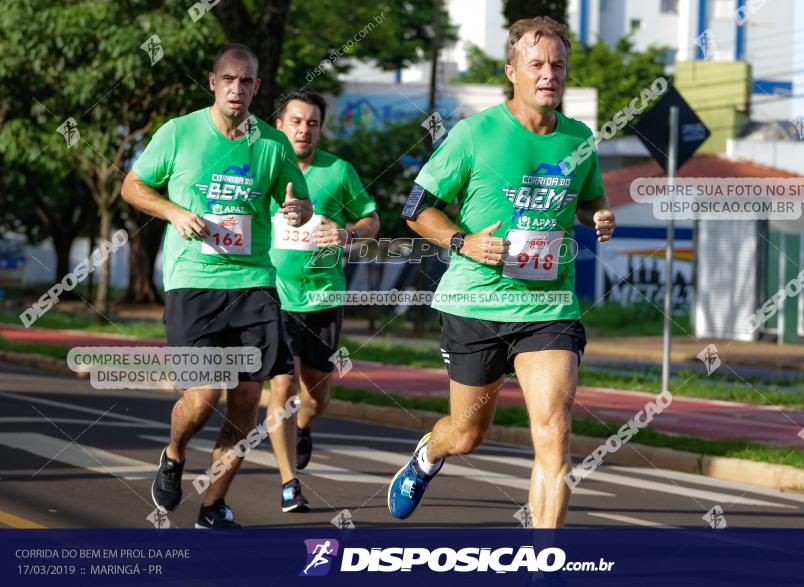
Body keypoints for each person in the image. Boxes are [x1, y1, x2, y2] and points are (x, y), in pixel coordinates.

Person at [387, 16, 616, 528]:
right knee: (467, 435)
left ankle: (544, 560)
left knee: (554, 431)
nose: (548, 74)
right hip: (476, 305)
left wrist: (596, 213)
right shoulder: (474, 134)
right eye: (536, 64)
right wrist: (463, 241)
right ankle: (428, 456)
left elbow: (589, 195)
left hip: (548, 307)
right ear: (512, 70)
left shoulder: (579, 139)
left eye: (557, 65)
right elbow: (417, 207)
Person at [120, 43, 313, 529]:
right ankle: (174, 450)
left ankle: (214, 503)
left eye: (246, 81)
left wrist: (297, 211)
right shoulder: (180, 133)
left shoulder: (272, 144)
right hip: (193, 283)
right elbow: (132, 186)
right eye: (229, 79)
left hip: (254, 284)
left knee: (248, 400)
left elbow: (300, 202)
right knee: (203, 396)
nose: (237, 88)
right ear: (213, 82)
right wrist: (173, 211)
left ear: (256, 87)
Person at [268, 90, 379, 512]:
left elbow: (372, 218)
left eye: (312, 122)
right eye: (296, 121)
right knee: (281, 386)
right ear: (280, 125)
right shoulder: (264, 167)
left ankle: (304, 425)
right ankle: (288, 483)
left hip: (323, 297)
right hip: (274, 294)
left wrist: (349, 234)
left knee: (316, 398)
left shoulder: (338, 170)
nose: (304, 129)